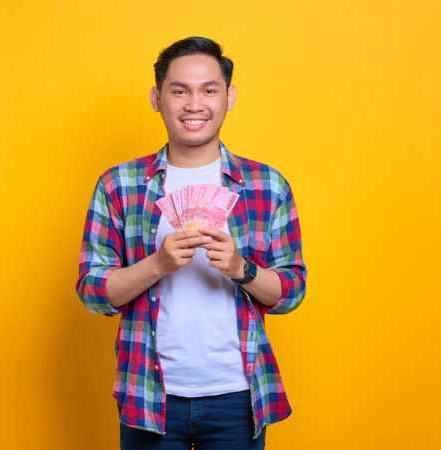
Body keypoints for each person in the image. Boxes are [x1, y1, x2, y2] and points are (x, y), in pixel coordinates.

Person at [76, 36, 307, 450]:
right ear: (156, 97)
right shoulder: (119, 185)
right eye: (179, 90)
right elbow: (93, 292)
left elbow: (291, 291)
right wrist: (157, 265)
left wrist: (242, 268)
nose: (194, 104)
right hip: (149, 393)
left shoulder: (267, 186)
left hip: (237, 396)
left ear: (229, 97)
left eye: (209, 90)